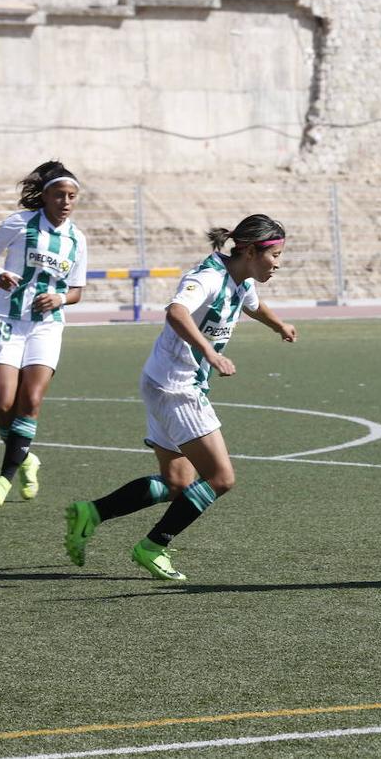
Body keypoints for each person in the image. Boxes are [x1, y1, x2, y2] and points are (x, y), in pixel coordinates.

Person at [64, 215, 297, 581]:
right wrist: (210, 352)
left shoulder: (242, 278)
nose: (278, 263)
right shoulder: (208, 277)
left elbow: (253, 305)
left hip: (163, 381)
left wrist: (279, 324)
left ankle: (91, 513)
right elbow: (176, 311)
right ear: (251, 251)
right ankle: (153, 546)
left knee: (177, 483)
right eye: (276, 255)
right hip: (177, 387)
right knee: (220, 478)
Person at [0, 160, 88, 508]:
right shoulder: (19, 223)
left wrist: (60, 298)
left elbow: (77, 290)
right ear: (46, 196)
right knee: (4, 404)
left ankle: (4, 479)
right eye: (59, 195)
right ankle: (26, 457)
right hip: (8, 319)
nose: (66, 202)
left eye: (72, 196)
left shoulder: (77, 239)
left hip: (46, 326)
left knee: (31, 400)